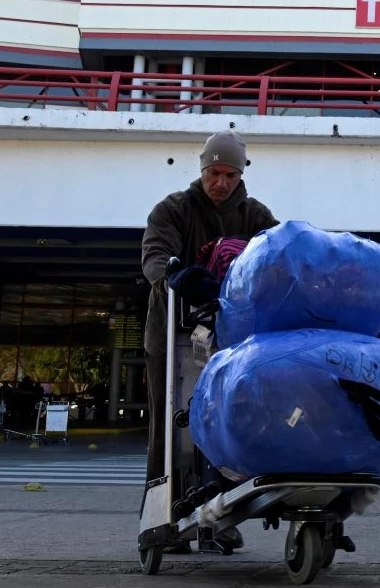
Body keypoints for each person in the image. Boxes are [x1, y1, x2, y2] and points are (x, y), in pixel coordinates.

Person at [140, 130, 278, 551]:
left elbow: (279, 253)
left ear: (242, 174)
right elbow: (154, 256)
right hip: (173, 334)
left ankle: (220, 514)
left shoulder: (256, 215)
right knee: (171, 425)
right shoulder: (173, 209)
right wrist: (174, 275)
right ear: (202, 170)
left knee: (224, 425)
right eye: (214, 173)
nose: (221, 182)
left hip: (231, 340)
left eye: (230, 175)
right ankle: (162, 515)